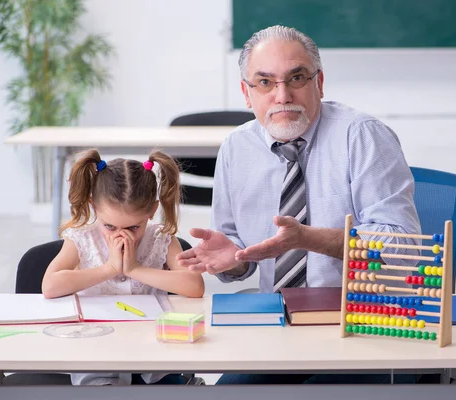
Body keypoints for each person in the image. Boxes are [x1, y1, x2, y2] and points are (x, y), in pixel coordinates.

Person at [177, 25, 422, 384]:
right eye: (265, 82)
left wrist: (308, 238)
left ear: (319, 83)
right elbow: (239, 259)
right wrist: (232, 261)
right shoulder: (236, 148)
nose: (282, 95)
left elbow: (404, 248)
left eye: (296, 78)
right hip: (275, 329)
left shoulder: (363, 135)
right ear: (247, 93)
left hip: (363, 325)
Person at [42, 148, 205, 386]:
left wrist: (134, 269)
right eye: (110, 226)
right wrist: (109, 268)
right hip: (96, 358)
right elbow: (50, 285)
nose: (121, 236)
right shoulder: (81, 238)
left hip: (154, 360)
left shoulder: (161, 238)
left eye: (132, 228)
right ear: (94, 207)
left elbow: (195, 287)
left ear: (151, 210)